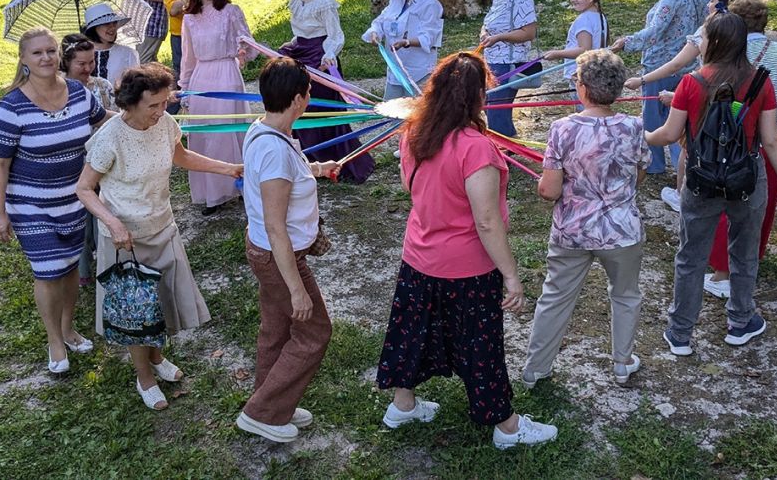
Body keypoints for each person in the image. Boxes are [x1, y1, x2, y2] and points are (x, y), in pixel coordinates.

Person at [376, 52, 558, 450]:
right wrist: (511, 274)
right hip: (467, 268)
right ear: (477, 98)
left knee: (413, 332)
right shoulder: (476, 149)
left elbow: (413, 188)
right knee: (480, 344)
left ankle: (402, 404)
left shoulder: (414, 132)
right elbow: (487, 221)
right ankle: (507, 427)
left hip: (419, 257)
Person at [77, 63, 240, 410]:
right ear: (130, 104)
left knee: (159, 303)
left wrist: (226, 168)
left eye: (165, 102)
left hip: (162, 227)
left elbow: (180, 155)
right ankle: (144, 377)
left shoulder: (165, 124)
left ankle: (156, 357)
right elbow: (84, 189)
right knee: (137, 312)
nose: (161, 110)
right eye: (153, 105)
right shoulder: (110, 138)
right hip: (124, 240)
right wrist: (114, 223)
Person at [645, 15, 777, 355]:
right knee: (744, 254)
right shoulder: (760, 82)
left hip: (702, 180)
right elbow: (771, 140)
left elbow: (669, 135)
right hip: (747, 179)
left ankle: (680, 333)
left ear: (711, 42)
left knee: (690, 256)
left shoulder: (692, 83)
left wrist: (643, 135)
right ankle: (740, 322)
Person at [523, 50, 649, 388]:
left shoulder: (562, 129)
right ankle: (622, 363)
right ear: (618, 89)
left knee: (556, 296)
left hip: (572, 231)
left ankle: (536, 368)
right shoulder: (634, 126)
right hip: (622, 231)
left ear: (582, 88)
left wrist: (549, 183)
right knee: (625, 295)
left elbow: (549, 190)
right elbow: (639, 175)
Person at [0, 28, 108, 374]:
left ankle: (69, 328)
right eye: (37, 53)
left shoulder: (78, 92)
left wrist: (147, 119)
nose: (46, 58)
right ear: (24, 60)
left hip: (74, 198)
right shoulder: (12, 107)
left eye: (51, 51)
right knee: (49, 269)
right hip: (30, 204)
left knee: (70, 267)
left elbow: (105, 123)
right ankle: (54, 340)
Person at [236, 57, 339, 443]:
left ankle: (271, 401)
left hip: (266, 251)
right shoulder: (275, 151)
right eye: (309, 90)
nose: (310, 95)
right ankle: (262, 412)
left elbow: (279, 179)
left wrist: (316, 168)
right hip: (279, 257)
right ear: (298, 99)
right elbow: (277, 226)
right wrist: (297, 288)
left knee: (276, 329)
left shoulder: (265, 131)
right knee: (314, 331)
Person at [703, 0, 777, 299]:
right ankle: (748, 264)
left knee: (725, 207)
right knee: (760, 208)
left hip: (728, 142)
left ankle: (721, 274)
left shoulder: (723, 53)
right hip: (772, 145)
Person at [624, 0, 747, 212]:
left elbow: (676, 65)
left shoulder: (707, 34)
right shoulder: (745, 32)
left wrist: (644, 83)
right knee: (728, 140)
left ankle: (683, 195)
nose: (708, 4)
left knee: (691, 143)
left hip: (708, 98)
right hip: (737, 102)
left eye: (712, 0)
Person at [611, 0, 702, 175]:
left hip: (660, 67)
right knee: (679, 117)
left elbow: (654, 33)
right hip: (685, 65)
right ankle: (684, 164)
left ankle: (654, 164)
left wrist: (626, 42)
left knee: (654, 118)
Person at [280, 0, 373, 183]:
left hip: (319, 56)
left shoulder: (325, 2)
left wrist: (328, 55)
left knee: (319, 105)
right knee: (298, 105)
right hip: (301, 52)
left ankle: (333, 158)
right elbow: (301, 31)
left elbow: (335, 35)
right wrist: (292, 46)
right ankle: (309, 159)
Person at [179, 0, 251, 215]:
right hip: (202, 76)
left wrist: (243, 49)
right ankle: (213, 194)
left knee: (230, 130)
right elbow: (187, 58)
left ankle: (242, 184)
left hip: (227, 73)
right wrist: (185, 89)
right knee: (206, 133)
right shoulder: (189, 19)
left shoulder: (231, 11)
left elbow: (248, 43)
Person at [60, 33, 115, 286]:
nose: (88, 68)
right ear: (66, 63)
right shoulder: (58, 91)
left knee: (104, 209)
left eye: (91, 61)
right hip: (74, 161)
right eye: (81, 64)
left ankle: (106, 260)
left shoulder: (102, 85)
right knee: (81, 215)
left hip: (104, 157)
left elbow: (110, 117)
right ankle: (82, 270)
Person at [361, 0, 444, 100]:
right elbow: (380, 21)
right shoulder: (396, 0)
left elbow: (429, 38)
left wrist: (406, 42)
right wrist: (375, 33)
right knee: (390, 111)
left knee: (414, 115)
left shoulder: (430, 4)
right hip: (395, 68)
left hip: (419, 71)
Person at [478, 0, 538, 138]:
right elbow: (490, 21)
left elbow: (529, 33)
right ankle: (509, 143)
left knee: (497, 108)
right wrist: (485, 32)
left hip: (508, 62)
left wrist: (498, 37)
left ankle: (505, 149)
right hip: (492, 60)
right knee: (489, 105)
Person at [542, 0, 610, 87]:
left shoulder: (584, 20)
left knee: (583, 103)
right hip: (594, 73)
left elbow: (584, 50)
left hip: (580, 76)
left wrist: (557, 53)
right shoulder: (599, 16)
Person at [162, 0, 201, 90]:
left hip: (201, 33)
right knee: (182, 73)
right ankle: (177, 106)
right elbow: (173, 10)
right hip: (181, 36)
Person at [83, 3, 140, 86]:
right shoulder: (81, 54)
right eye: (106, 24)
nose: (113, 28)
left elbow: (135, 86)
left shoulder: (128, 54)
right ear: (94, 28)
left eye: (114, 23)